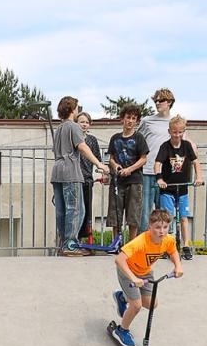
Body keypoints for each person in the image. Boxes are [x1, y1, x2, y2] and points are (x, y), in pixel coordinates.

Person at [111, 209, 185, 346]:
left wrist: (178, 266)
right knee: (137, 305)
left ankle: (122, 297)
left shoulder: (168, 240)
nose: (161, 231)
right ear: (149, 227)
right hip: (128, 271)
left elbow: (173, 251)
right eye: (157, 227)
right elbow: (119, 259)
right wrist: (133, 277)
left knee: (152, 304)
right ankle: (121, 330)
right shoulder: (140, 241)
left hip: (145, 272)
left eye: (165, 227)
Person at [51, 97, 110, 255]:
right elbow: (82, 147)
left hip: (57, 171)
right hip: (71, 171)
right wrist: (99, 164)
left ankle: (63, 243)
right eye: (76, 108)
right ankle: (71, 244)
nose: (77, 110)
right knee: (77, 209)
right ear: (72, 109)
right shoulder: (73, 127)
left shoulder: (59, 128)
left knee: (61, 210)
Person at [153, 115, 201, 259]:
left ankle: (186, 244)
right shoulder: (165, 146)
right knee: (168, 218)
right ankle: (166, 245)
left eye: (180, 132)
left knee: (184, 217)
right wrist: (159, 178)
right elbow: (157, 164)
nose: (177, 135)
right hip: (168, 189)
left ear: (184, 131)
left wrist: (199, 177)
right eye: (174, 132)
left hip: (183, 188)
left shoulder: (187, 146)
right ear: (169, 131)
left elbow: (195, 162)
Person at [107, 104, 149, 244]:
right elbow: (111, 157)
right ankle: (116, 242)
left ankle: (132, 244)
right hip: (118, 181)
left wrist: (130, 169)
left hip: (134, 181)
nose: (130, 121)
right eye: (128, 117)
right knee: (115, 214)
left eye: (133, 118)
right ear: (122, 119)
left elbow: (143, 159)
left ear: (136, 121)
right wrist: (115, 165)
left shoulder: (139, 138)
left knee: (133, 214)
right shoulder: (115, 138)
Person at [139, 89, 176, 231]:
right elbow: (138, 141)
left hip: (166, 173)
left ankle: (166, 242)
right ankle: (145, 241)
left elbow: (183, 140)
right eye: (156, 100)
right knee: (146, 210)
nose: (157, 103)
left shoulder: (173, 122)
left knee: (166, 210)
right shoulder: (147, 121)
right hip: (148, 170)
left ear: (169, 102)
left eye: (161, 100)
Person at [76, 112, 103, 245]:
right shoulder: (73, 138)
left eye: (87, 122)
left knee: (87, 210)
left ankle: (86, 239)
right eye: (82, 122)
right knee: (76, 209)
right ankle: (74, 238)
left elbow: (98, 158)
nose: (84, 124)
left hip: (87, 179)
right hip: (75, 178)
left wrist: (103, 173)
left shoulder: (92, 140)